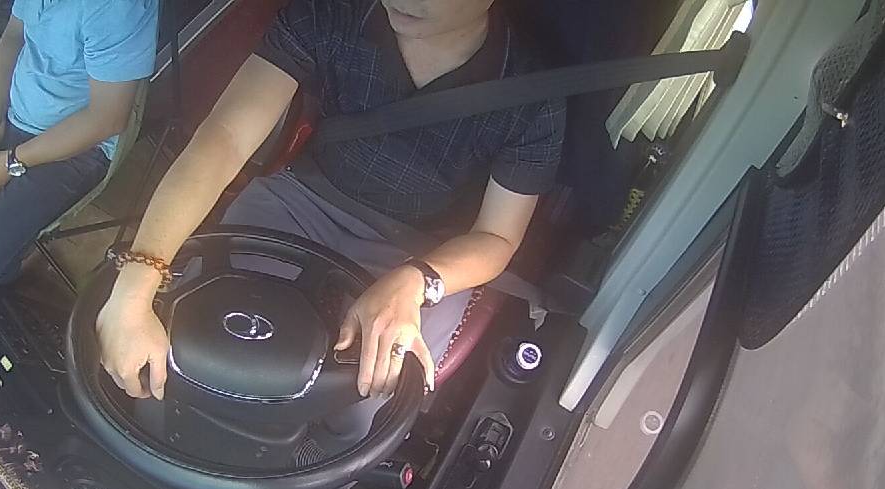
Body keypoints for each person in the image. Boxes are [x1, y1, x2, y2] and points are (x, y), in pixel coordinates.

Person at [97, 0, 565, 405]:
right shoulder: (330, 13)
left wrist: (417, 281)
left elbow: (497, 237)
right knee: (197, 333)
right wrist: (134, 288)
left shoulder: (532, 92)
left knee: (364, 398)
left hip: (423, 250)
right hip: (300, 199)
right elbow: (225, 139)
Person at [0, 0, 158, 284]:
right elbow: (13, 35)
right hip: (13, 109)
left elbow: (106, 119)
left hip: (76, 145)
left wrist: (11, 162)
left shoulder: (116, 8)